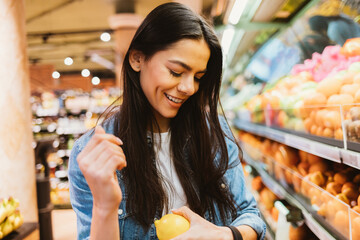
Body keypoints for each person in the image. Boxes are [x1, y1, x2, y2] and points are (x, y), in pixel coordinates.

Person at [69, 2, 266, 240]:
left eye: (198, 77)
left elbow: (250, 214)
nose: (188, 88)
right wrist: (104, 208)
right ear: (137, 59)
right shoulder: (93, 154)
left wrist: (225, 235)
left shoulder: (214, 132)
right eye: (175, 71)